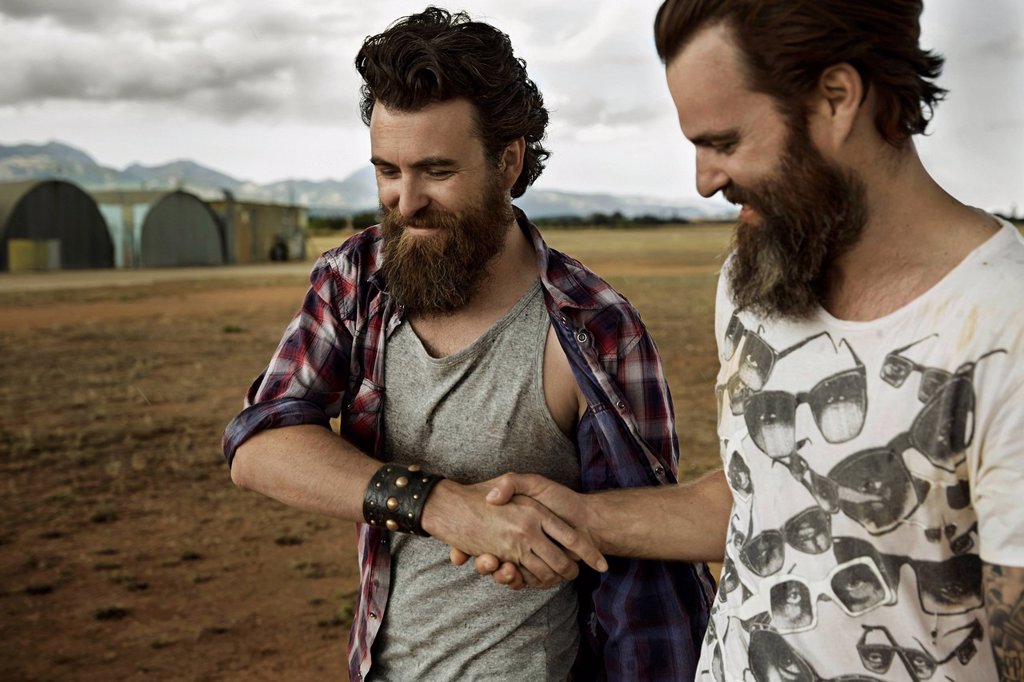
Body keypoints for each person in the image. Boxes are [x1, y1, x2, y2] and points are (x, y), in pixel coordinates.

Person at [464, 0, 1024, 679]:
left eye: (723, 142)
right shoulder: (759, 274)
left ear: (837, 98)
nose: (704, 181)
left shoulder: (1005, 323)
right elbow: (759, 497)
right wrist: (579, 516)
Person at [222, 7, 714, 681]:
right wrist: (441, 506)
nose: (405, 199)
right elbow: (258, 446)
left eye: (435, 171)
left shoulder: (596, 328)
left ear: (508, 161)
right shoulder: (355, 282)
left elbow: (645, 548)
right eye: (386, 170)